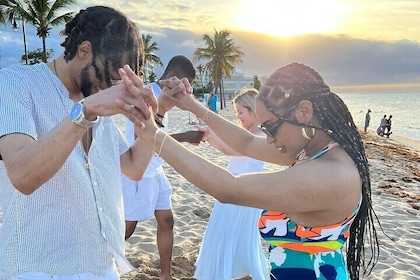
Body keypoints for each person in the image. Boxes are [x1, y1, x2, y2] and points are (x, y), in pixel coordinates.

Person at [122, 62, 380, 280]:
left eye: (270, 127)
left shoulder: (330, 173)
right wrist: (191, 105)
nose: (268, 139)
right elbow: (245, 142)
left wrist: (154, 135)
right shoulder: (312, 151)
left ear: (304, 112)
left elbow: (229, 189)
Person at [0, 6, 163, 279]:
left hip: (102, 266)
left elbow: (133, 167)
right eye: (110, 78)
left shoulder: (96, 94)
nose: (113, 87)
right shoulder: (16, 83)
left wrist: (149, 122)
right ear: (84, 50)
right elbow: (22, 174)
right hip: (37, 268)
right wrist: (86, 112)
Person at [121, 55, 197, 280]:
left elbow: (158, 135)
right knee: (126, 228)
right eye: (185, 83)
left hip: (156, 170)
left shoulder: (164, 96)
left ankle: (166, 275)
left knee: (167, 221)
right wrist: (185, 137)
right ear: (174, 77)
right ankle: (100, 265)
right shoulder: (147, 95)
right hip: (138, 170)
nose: (187, 89)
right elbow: (140, 137)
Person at [193, 88, 269, 280]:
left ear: (253, 110)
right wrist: (208, 136)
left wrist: (209, 135)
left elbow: (231, 149)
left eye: (241, 112)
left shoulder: (259, 136)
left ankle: (231, 273)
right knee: (227, 235)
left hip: (244, 194)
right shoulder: (248, 133)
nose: (239, 117)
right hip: (232, 190)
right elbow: (229, 148)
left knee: (233, 236)